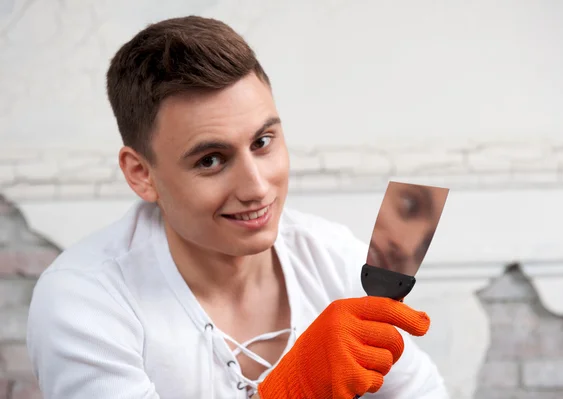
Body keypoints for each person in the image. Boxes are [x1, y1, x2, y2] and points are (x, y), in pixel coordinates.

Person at [26, 15, 449, 399]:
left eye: (262, 143)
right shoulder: (83, 300)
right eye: (210, 160)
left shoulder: (334, 257)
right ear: (141, 173)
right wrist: (295, 388)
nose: (257, 186)